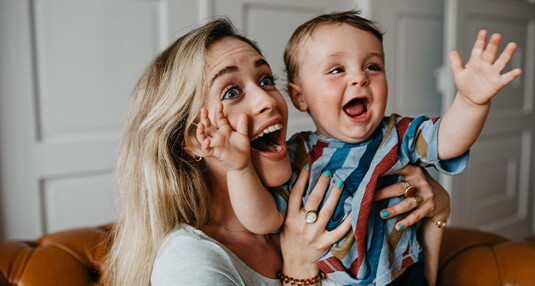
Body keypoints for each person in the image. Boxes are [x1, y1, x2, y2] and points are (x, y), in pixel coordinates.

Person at [104, 18, 452, 286]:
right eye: (231, 92)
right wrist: (299, 270)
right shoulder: (191, 261)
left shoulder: (310, 197)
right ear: (194, 140)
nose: (268, 100)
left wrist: (437, 212)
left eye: (266, 80)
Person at [197, 11, 521, 286]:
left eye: (373, 67)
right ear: (299, 97)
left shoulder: (398, 133)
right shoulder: (296, 155)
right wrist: (240, 169)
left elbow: (448, 141)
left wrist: (470, 101)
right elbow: (263, 220)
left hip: (404, 273)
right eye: (337, 70)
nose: (359, 78)